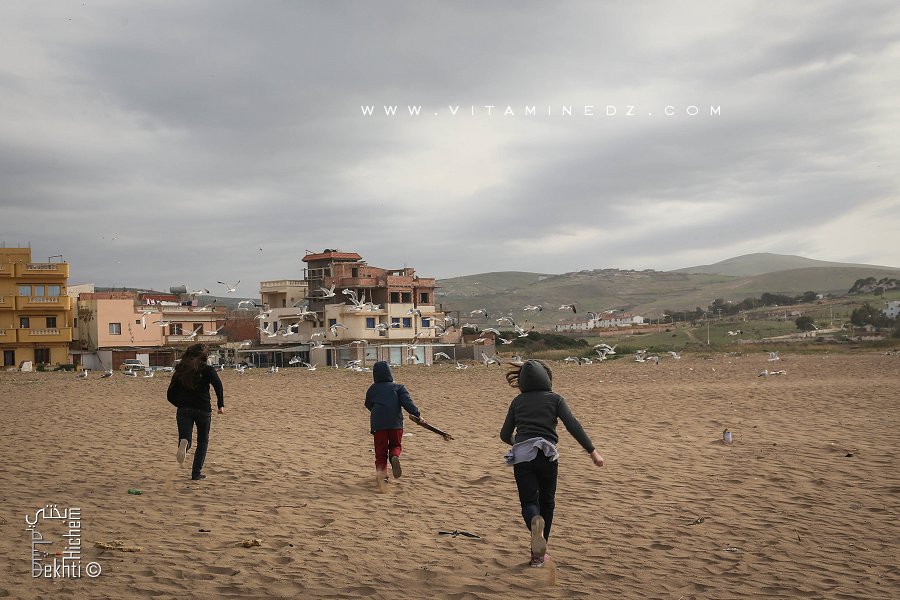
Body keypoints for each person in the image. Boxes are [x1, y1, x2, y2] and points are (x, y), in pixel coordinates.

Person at [500, 359, 604, 567]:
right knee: (547, 502)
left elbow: (504, 434)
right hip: (547, 456)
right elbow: (573, 425)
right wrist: (592, 451)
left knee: (529, 503)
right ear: (547, 378)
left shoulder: (517, 402)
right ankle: (538, 555)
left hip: (522, 457)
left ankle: (533, 524)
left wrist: (519, 443)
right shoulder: (555, 399)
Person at [167, 343, 224, 481]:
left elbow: (170, 393)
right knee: (203, 441)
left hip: (184, 409)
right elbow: (218, 386)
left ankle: (184, 443)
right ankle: (196, 473)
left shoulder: (180, 370)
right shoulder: (208, 370)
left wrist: (180, 404)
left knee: (185, 437)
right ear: (204, 356)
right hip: (203, 409)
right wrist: (220, 405)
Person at [364, 361, 423, 485]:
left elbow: (368, 404)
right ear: (389, 373)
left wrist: (377, 413)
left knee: (380, 453)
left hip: (378, 425)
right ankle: (394, 456)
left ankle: (383, 478)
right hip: (395, 423)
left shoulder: (372, 389)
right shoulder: (398, 387)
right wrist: (418, 415)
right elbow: (408, 403)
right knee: (396, 445)